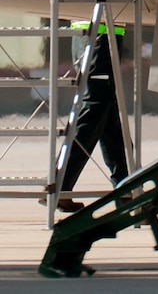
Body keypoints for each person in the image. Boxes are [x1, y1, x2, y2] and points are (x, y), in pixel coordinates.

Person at [54, 24, 127, 210]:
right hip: (100, 33)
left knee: (108, 116)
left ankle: (126, 185)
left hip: (95, 33)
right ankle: (60, 184)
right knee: (95, 107)